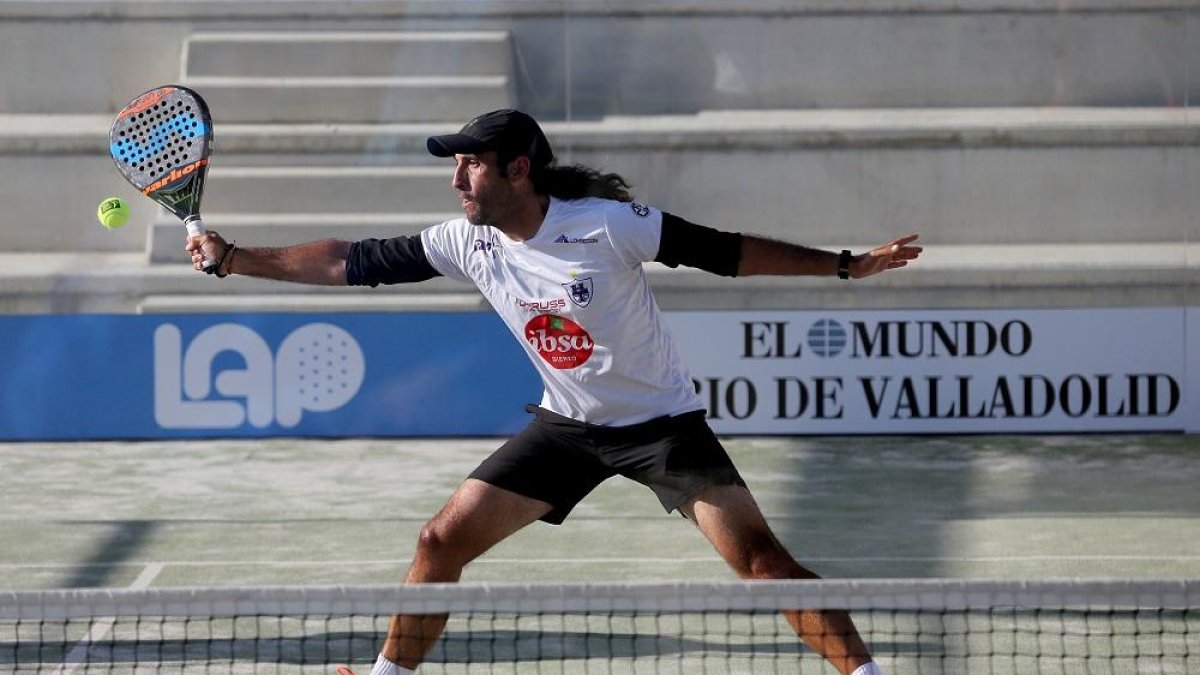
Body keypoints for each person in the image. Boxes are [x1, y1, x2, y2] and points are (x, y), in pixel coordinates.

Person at [187, 109, 921, 675]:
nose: (456, 180)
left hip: (661, 427)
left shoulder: (606, 227)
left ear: (517, 170)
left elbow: (725, 251)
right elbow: (350, 261)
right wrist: (234, 258)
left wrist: (845, 266)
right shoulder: (464, 240)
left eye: (470, 165)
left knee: (761, 562)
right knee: (439, 540)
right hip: (567, 427)